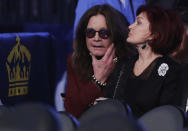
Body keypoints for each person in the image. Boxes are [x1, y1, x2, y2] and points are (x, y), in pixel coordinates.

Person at [104, 5, 184, 118]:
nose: (130, 26)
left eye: (139, 23)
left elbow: (168, 117)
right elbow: (110, 101)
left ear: (154, 34)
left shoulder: (172, 71)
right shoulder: (123, 65)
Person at [64, 4, 135, 118]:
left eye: (104, 33)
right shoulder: (75, 60)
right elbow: (72, 112)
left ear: (115, 35)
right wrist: (97, 80)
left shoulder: (129, 62)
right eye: (90, 33)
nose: (96, 38)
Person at [73, 0, 146, 39]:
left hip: (133, 56)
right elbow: (78, 35)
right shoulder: (87, 1)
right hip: (104, 59)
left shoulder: (139, 1)